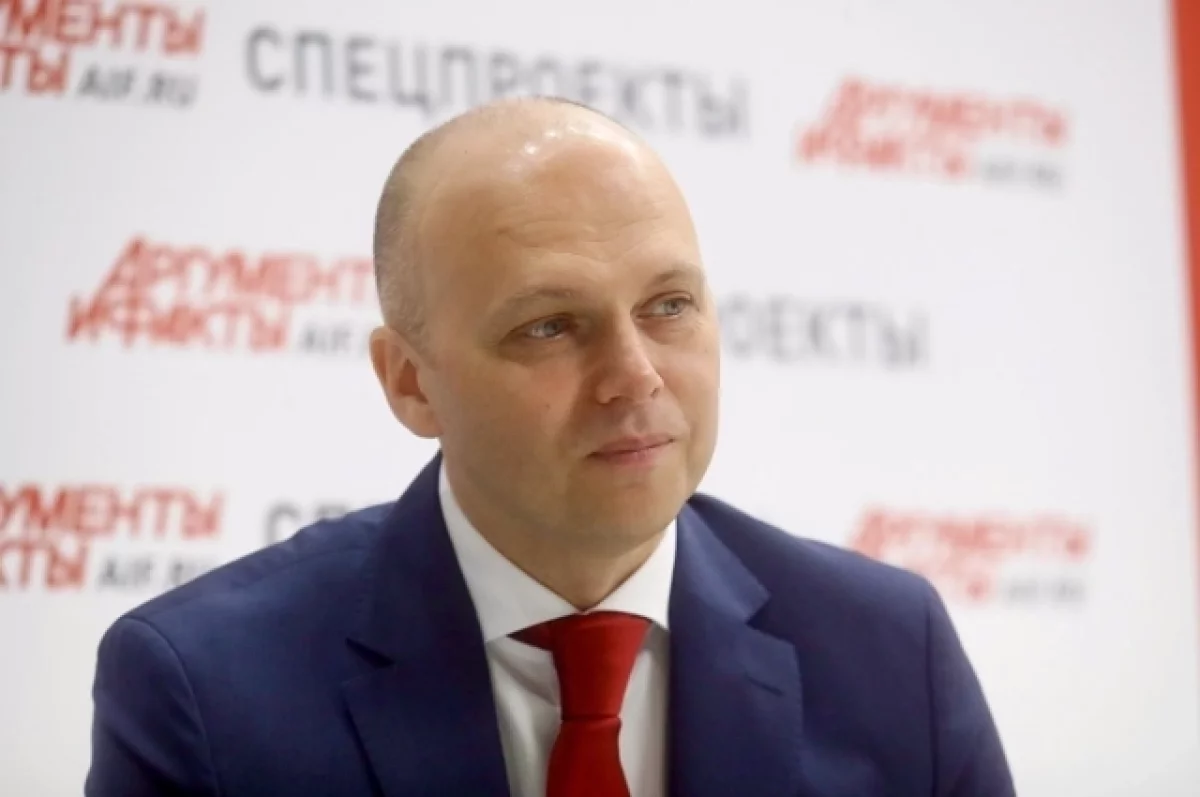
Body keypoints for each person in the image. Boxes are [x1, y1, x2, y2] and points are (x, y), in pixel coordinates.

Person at [85, 97, 1015, 797]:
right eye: (549, 326)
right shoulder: (204, 689)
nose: (635, 376)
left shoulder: (891, 653)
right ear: (410, 382)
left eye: (669, 305)